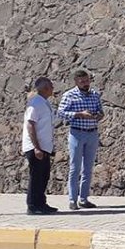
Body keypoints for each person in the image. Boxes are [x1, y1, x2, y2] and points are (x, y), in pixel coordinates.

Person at [58, 68, 104, 210]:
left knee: (88, 168)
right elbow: (61, 113)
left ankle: (84, 199)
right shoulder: (69, 95)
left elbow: (100, 111)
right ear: (76, 82)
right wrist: (79, 114)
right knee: (74, 168)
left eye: (87, 81)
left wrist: (98, 115)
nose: (86, 83)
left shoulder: (95, 95)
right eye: (82, 82)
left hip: (92, 133)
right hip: (77, 134)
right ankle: (72, 199)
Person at [22, 77, 58, 215]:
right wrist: (36, 147)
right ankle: (32, 205)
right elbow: (30, 124)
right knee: (36, 176)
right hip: (36, 147)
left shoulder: (44, 102)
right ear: (45, 88)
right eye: (51, 86)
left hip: (44, 146)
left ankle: (41, 204)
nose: (53, 88)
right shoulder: (36, 103)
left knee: (44, 176)